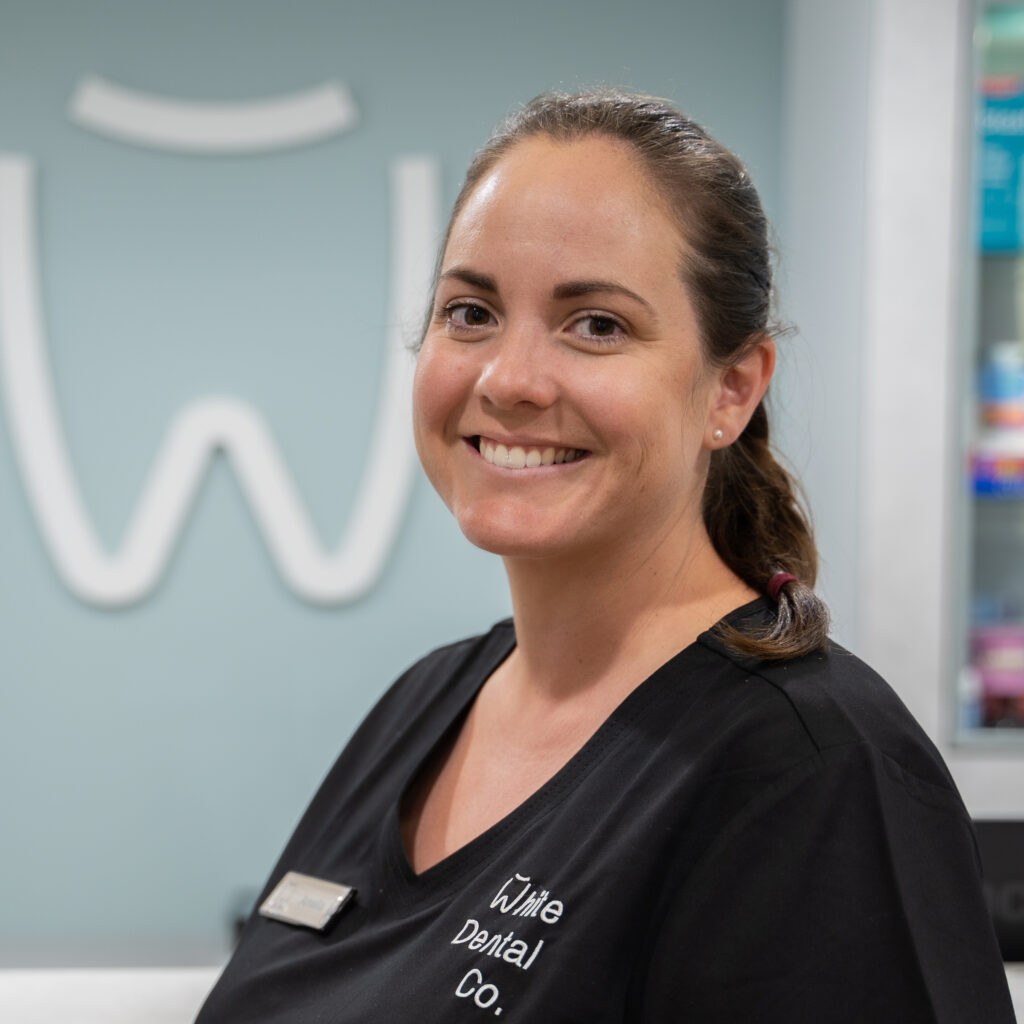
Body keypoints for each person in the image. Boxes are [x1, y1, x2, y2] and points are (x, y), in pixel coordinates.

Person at [195, 90, 1016, 1022]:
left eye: (597, 325)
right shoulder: (430, 701)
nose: (510, 380)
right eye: (470, 312)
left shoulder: (813, 771)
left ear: (733, 388)